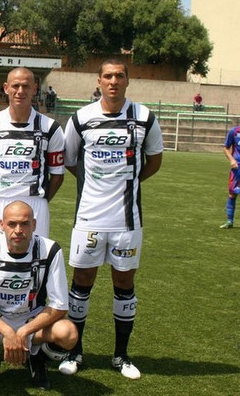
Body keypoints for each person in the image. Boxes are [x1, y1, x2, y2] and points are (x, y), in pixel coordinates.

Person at [60, 59, 163, 380]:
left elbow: (154, 160)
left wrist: (127, 183)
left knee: (124, 283)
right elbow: (70, 160)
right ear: (99, 81)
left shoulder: (145, 118)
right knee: (82, 282)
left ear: (128, 81)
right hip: (89, 217)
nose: (114, 81)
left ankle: (121, 356)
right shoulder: (81, 118)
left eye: (119, 76)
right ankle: (75, 351)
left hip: (126, 221)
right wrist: (98, 183)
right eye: (108, 76)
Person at [0, 201, 77, 389]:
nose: (18, 230)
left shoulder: (50, 250)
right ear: (2, 224)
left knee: (69, 334)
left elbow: (59, 305)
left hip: (33, 319)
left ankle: (37, 360)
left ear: (34, 225)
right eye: (12, 224)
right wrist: (7, 331)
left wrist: (23, 332)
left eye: (24, 224)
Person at [0, 67, 65, 245]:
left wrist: (40, 198)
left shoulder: (51, 128)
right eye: (15, 86)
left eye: (26, 86)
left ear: (35, 89)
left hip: (35, 204)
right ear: (6, 88)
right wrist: (0, 192)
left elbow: (57, 176)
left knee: (33, 263)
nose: (20, 91)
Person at [220, 125, 240, 228]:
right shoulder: (234, 131)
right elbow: (226, 148)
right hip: (237, 169)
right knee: (232, 194)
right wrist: (232, 160)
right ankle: (229, 221)